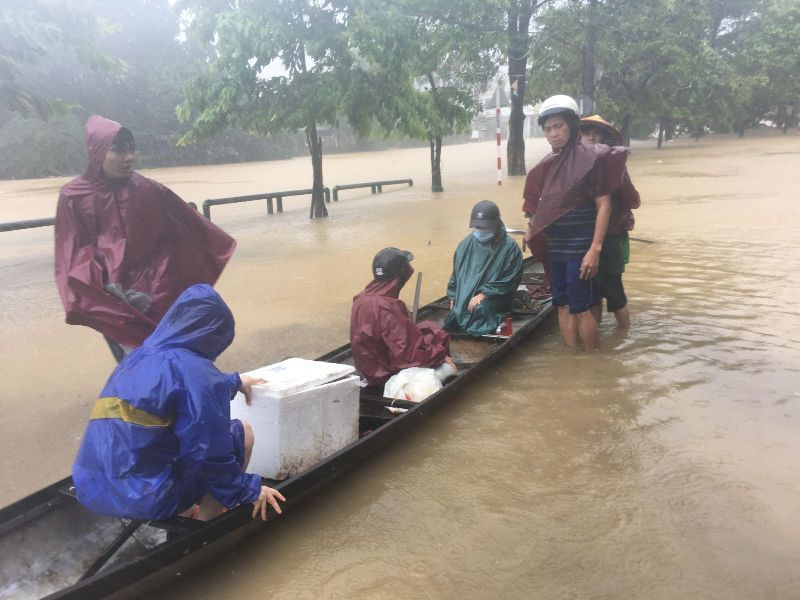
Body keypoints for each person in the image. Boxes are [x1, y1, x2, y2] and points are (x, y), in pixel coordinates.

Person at [72, 284, 285, 522]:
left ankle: (182, 510)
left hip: (91, 486)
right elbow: (207, 453)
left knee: (165, 436)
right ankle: (206, 520)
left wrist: (233, 382)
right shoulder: (193, 371)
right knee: (241, 432)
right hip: (147, 496)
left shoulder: (138, 356)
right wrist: (248, 489)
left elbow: (171, 389)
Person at [55, 115, 237, 356]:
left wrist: (163, 282)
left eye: (131, 150)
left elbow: (187, 232)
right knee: (137, 363)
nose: (128, 158)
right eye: (118, 151)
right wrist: (106, 288)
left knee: (175, 357)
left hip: (159, 294)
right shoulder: (74, 197)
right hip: (114, 303)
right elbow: (73, 254)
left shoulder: (147, 189)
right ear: (97, 151)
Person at [522, 95, 627, 351]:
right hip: (556, 245)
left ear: (571, 125)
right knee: (562, 304)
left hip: (581, 246)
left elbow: (604, 205)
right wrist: (531, 227)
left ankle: (590, 361)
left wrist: (595, 249)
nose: (553, 134)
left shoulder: (591, 159)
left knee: (582, 307)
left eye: (558, 126)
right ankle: (573, 358)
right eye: (548, 129)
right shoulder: (548, 165)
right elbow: (540, 203)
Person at [350, 248, 455, 389]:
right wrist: (440, 356)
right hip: (384, 375)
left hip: (368, 370)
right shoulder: (388, 306)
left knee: (424, 328)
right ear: (400, 274)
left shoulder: (360, 298)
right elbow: (408, 353)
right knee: (436, 333)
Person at [579, 115, 641, 330]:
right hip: (586, 237)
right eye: (586, 133)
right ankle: (598, 338)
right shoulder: (577, 165)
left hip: (611, 236)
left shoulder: (611, 166)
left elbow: (618, 202)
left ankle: (623, 334)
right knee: (592, 293)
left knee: (614, 292)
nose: (592, 137)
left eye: (597, 134)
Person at [444, 200, 523, 336]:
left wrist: (484, 293)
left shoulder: (510, 248)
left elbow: (510, 280)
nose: (481, 231)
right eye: (478, 228)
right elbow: (456, 275)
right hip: (466, 293)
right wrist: (453, 296)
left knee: (481, 312)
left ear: (496, 224)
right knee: (456, 314)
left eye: (485, 228)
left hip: (496, 296)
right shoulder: (465, 245)